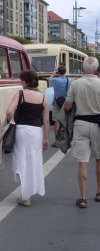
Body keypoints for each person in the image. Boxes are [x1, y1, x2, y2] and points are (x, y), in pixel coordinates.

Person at [6, 70, 50, 207]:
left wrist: (11, 121)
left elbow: (9, 112)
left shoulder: (20, 94)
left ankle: (25, 196)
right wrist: (46, 138)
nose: (20, 82)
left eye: (21, 80)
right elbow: (47, 120)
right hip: (37, 131)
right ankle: (28, 193)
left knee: (21, 160)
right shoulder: (43, 97)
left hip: (22, 130)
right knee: (34, 160)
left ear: (26, 81)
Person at [64, 56, 100, 208]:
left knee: (83, 162)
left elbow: (67, 106)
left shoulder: (76, 83)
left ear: (83, 69)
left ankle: (83, 198)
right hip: (98, 124)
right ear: (97, 70)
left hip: (81, 123)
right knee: (99, 159)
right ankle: (99, 192)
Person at [49, 64, 72, 146]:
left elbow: (49, 81)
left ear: (58, 72)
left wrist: (53, 74)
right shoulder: (69, 80)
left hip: (57, 103)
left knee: (57, 121)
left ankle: (57, 141)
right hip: (67, 103)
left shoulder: (55, 80)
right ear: (65, 71)